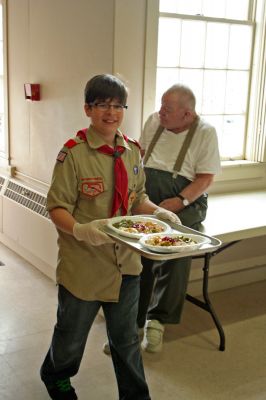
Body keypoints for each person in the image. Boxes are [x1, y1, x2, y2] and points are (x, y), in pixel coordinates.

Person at [40, 74, 180, 400]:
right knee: (72, 335)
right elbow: (57, 206)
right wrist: (79, 229)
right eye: (103, 105)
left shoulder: (131, 151)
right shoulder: (73, 154)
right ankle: (56, 375)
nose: (111, 112)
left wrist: (156, 211)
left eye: (118, 106)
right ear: (88, 108)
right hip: (84, 266)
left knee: (126, 338)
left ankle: (135, 394)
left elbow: (136, 198)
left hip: (126, 264)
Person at [137, 83, 221, 353]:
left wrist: (181, 201)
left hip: (186, 199)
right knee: (137, 252)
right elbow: (140, 156)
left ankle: (157, 321)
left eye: (167, 109)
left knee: (177, 250)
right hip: (148, 196)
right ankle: (132, 322)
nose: (160, 112)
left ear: (188, 115)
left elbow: (206, 177)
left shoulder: (206, 133)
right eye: (161, 106)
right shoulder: (154, 121)